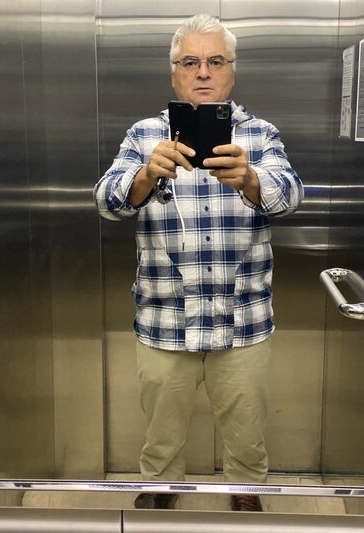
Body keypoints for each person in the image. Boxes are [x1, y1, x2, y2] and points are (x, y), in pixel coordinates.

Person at [94, 14, 304, 511]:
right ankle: (161, 489)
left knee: (246, 430)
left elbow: (292, 194)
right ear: (174, 73)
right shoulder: (144, 135)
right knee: (161, 431)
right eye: (190, 62)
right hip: (166, 318)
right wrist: (145, 176)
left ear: (232, 70)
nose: (203, 72)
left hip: (242, 320)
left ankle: (245, 493)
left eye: (215, 61)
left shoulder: (260, 135)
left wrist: (251, 180)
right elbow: (106, 200)